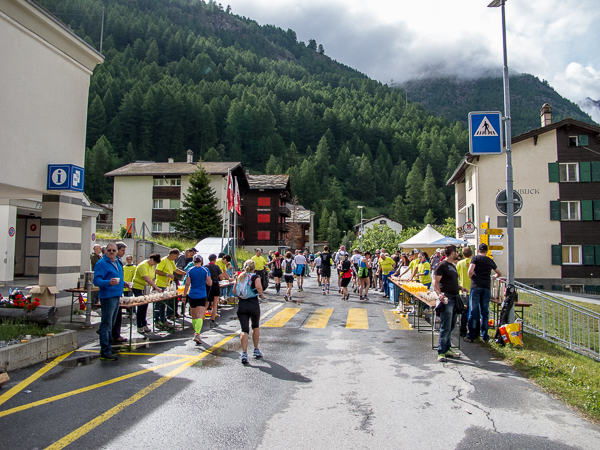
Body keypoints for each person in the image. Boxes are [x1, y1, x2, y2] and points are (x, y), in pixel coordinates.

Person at [433, 244, 468, 362]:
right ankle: (441, 352)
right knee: (446, 326)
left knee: (452, 325)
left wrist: (460, 287)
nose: (458, 254)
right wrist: (439, 294)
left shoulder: (452, 266)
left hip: (455, 297)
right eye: (456, 252)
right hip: (447, 298)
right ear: (453, 253)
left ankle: (447, 348)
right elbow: (435, 281)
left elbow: (451, 282)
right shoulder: (442, 265)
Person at [93, 243, 126, 361]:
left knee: (111, 324)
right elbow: (96, 281)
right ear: (105, 251)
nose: (111, 252)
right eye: (109, 250)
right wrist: (108, 283)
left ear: (116, 252)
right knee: (106, 324)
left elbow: (118, 277)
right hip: (108, 296)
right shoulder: (101, 263)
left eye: (113, 250)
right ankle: (105, 351)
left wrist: (124, 283)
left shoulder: (116, 262)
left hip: (116, 295)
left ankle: (108, 347)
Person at [465, 243, 502, 343]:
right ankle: (485, 335)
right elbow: (499, 273)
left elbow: (470, 270)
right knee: (484, 312)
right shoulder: (490, 260)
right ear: (486, 251)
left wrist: (471, 277)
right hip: (486, 287)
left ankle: (471, 335)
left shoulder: (475, 258)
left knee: (473, 311)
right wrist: (494, 277)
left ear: (478, 251)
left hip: (476, 286)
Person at [233, 259, 265, 364]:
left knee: (244, 330)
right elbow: (258, 287)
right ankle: (256, 349)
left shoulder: (239, 276)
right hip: (253, 303)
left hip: (242, 304)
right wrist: (262, 294)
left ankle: (244, 353)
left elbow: (234, 291)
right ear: (254, 268)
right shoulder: (255, 277)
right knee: (255, 326)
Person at [183, 254, 212, 345]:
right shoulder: (205, 270)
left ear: (193, 261)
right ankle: (197, 333)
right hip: (202, 294)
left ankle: (196, 332)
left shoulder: (190, 270)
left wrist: (184, 295)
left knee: (194, 315)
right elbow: (210, 283)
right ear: (201, 261)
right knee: (200, 315)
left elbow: (187, 283)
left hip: (192, 294)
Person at [154, 249, 186, 330]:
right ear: (172, 255)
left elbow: (176, 270)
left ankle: (163, 320)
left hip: (167, 285)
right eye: (176, 256)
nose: (176, 258)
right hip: (160, 285)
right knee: (159, 303)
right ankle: (157, 320)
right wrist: (167, 274)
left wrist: (185, 273)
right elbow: (157, 271)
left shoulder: (171, 262)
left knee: (164, 304)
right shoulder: (163, 261)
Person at [132, 253, 162, 334]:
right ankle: (139, 325)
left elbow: (152, 278)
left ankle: (144, 323)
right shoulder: (143, 265)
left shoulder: (151, 266)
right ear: (151, 259)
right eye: (154, 262)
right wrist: (156, 287)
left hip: (146, 288)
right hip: (138, 287)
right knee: (141, 306)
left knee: (145, 306)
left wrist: (153, 287)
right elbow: (146, 278)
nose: (154, 264)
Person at [110, 242, 129, 344]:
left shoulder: (119, 261)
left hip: (118, 290)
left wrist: (123, 283)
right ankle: (112, 335)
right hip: (112, 291)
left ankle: (115, 334)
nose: (124, 252)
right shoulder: (112, 261)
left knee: (117, 314)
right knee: (113, 314)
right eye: (122, 250)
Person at [456, 246, 473, 337]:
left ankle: (462, 330)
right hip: (473, 289)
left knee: (464, 311)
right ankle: (472, 330)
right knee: (473, 311)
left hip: (463, 291)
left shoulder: (460, 263)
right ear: (472, 253)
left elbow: (457, 275)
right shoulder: (474, 262)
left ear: (463, 255)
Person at [206, 254, 224, 328]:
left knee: (206, 303)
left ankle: (200, 319)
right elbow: (221, 277)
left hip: (207, 285)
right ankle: (212, 320)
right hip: (215, 285)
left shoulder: (205, 267)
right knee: (215, 303)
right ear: (215, 259)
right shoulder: (216, 267)